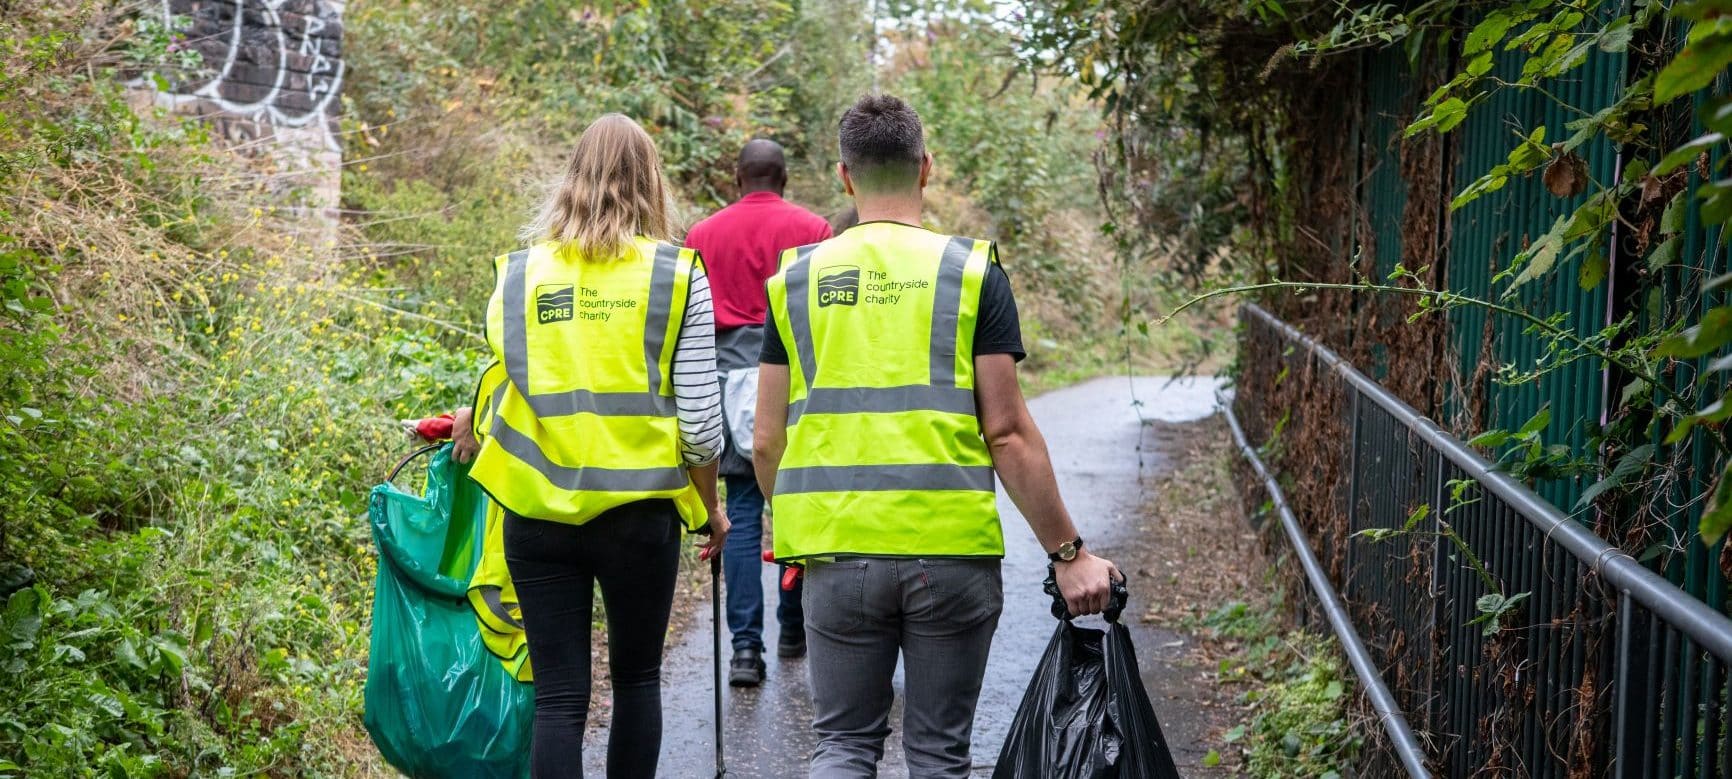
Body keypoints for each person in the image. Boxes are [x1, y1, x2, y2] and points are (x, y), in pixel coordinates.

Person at [753, 94, 1121, 778]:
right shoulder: (971, 272)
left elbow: (767, 440)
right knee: (938, 753)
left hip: (837, 550)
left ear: (844, 177)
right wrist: (1067, 552)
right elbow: (1007, 432)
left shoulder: (795, 280)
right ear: (925, 169)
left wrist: (801, 523)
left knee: (841, 745)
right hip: (950, 553)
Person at [450, 113, 729, 779]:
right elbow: (699, 423)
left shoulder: (519, 276)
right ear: (651, 182)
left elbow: (505, 382)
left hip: (539, 515)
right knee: (636, 680)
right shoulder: (676, 274)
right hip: (639, 518)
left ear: (570, 180)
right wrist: (710, 506)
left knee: (559, 697)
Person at [684, 138, 833, 686]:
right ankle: (793, 627)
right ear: (785, 178)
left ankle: (746, 651)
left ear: (737, 177)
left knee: (742, 516)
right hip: (789, 380)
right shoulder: (815, 231)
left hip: (723, 379)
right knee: (799, 505)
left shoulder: (701, 235)